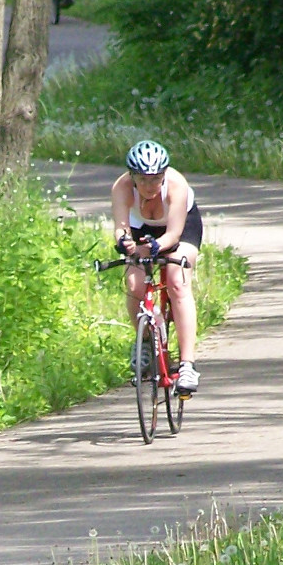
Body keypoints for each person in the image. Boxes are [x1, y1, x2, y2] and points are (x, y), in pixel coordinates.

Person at [110, 138, 202, 394]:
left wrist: (155, 247)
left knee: (176, 280)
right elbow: (121, 227)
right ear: (132, 177)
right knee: (134, 284)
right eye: (143, 180)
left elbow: (173, 234)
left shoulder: (176, 185)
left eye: (156, 179)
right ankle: (146, 343)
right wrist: (125, 243)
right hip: (141, 228)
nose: (149, 186)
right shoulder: (121, 187)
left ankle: (187, 365)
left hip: (179, 228)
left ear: (164, 175)